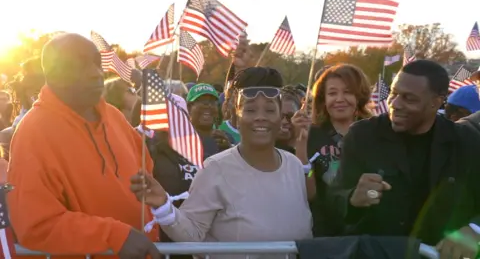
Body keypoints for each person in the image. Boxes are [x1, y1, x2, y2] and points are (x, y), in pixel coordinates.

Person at [130, 67, 312, 259]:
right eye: (250, 110)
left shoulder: (293, 165)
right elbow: (192, 233)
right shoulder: (215, 169)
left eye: (269, 109)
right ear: (236, 115)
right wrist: (164, 207)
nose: (261, 117)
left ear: (280, 116)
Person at [7, 33, 161, 259]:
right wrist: (113, 235)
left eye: (96, 63)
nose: (95, 73)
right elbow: (35, 225)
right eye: (78, 65)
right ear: (51, 75)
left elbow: (145, 170)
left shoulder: (114, 116)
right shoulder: (34, 132)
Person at [330, 60, 480, 259]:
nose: (395, 104)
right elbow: (334, 197)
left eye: (409, 99)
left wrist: (473, 229)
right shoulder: (362, 135)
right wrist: (352, 199)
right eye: (394, 94)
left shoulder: (466, 141)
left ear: (436, 101)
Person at [293, 64, 372, 236]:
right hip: (325, 234)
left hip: (368, 232)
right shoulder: (312, 134)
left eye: (348, 92)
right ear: (323, 98)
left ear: (359, 96)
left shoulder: (375, 133)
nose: (340, 99)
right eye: (332, 93)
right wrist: (301, 144)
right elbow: (309, 194)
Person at [186, 83, 232, 158]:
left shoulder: (225, 139)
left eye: (212, 102)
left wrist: (229, 151)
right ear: (189, 107)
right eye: (203, 102)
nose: (208, 106)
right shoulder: (179, 139)